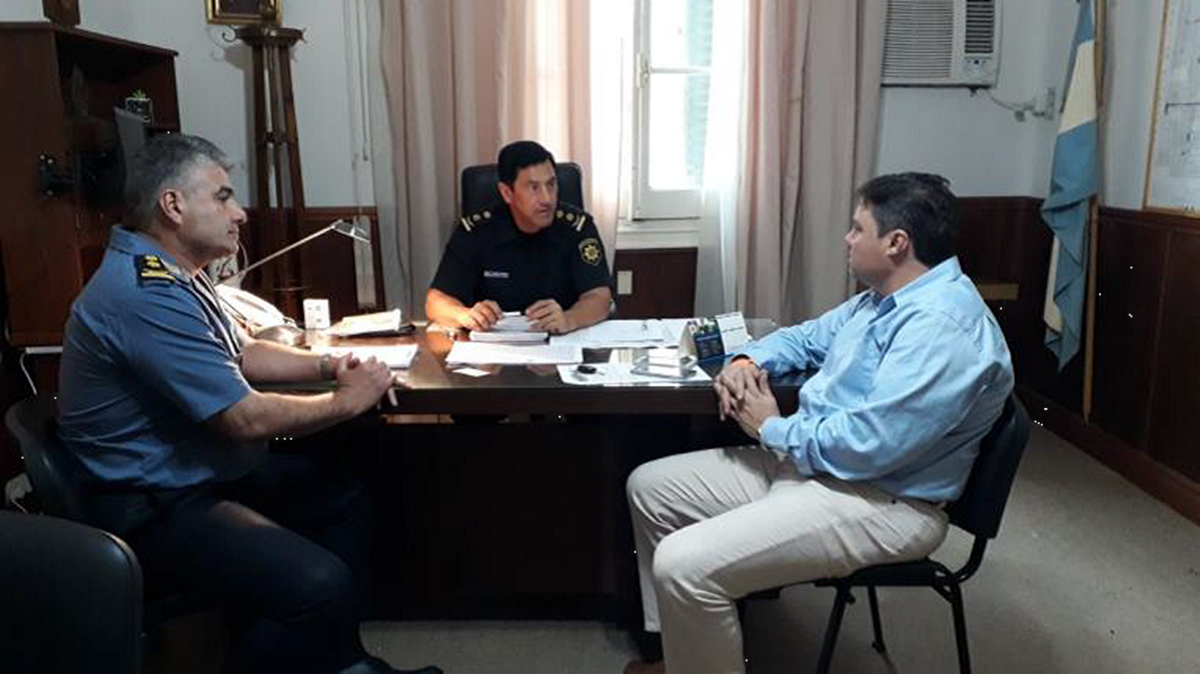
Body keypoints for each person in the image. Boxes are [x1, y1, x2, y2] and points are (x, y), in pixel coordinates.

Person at [57, 134, 440, 674]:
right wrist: (347, 401)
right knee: (320, 584)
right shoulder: (143, 293)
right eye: (223, 197)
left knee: (342, 495)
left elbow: (244, 352)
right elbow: (244, 417)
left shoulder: (176, 271)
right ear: (173, 205)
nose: (238, 213)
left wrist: (331, 365)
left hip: (192, 475)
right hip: (149, 507)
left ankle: (343, 662)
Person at [622, 173, 1014, 674]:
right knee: (650, 488)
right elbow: (805, 338)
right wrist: (745, 359)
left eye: (858, 228)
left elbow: (871, 447)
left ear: (896, 243)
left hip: (883, 500)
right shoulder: (884, 297)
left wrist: (770, 427)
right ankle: (683, 660)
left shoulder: (942, 327)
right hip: (820, 468)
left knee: (683, 565)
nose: (847, 239)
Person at [426, 140, 613, 334]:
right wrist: (464, 315)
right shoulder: (476, 231)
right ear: (507, 193)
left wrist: (569, 319)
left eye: (551, 184)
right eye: (534, 188)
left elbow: (600, 297)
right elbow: (435, 301)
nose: (547, 199)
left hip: (561, 342)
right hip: (495, 346)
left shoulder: (577, 227)